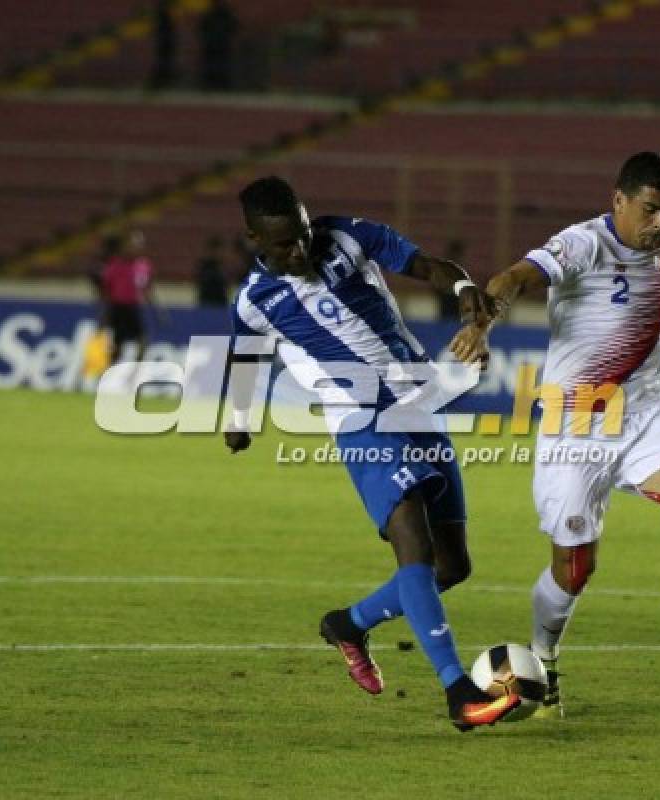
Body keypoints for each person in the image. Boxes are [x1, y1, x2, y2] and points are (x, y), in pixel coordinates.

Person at [449, 152, 660, 713]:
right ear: (618, 199)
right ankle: (544, 656)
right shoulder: (581, 245)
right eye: (649, 209)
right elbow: (513, 279)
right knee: (574, 567)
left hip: (644, 414)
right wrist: (481, 323)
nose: (659, 223)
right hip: (574, 425)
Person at [222, 176, 520, 731]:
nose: (299, 250)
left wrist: (462, 292)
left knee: (452, 565)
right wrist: (238, 420)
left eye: (304, 235)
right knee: (413, 540)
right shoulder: (255, 301)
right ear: (255, 240)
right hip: (359, 417)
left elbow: (432, 266)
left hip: (419, 398)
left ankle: (350, 624)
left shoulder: (348, 235)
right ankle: (458, 692)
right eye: (284, 244)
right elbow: (244, 360)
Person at [94, 230, 165, 364]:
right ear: (125, 246)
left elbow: (147, 290)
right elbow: (105, 290)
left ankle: (135, 372)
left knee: (143, 341)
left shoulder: (143, 266)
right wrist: (102, 312)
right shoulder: (114, 265)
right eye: (132, 245)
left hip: (133, 308)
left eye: (138, 245)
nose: (135, 249)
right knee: (118, 346)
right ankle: (112, 374)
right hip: (118, 308)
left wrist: (158, 311)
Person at [199, 0, 238, 91]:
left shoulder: (225, 14)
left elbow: (233, 26)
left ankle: (222, 84)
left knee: (222, 65)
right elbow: (202, 27)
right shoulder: (209, 14)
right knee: (211, 65)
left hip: (222, 45)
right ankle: (210, 84)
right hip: (212, 46)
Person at [194, 234, 229, 306]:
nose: (221, 253)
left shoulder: (224, 267)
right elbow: (201, 284)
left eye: (222, 250)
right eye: (218, 250)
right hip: (207, 305)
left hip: (221, 305)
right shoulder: (204, 267)